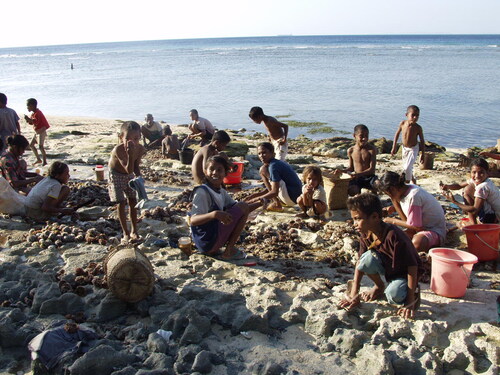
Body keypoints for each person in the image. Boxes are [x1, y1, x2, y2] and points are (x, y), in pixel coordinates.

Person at [339, 193, 422, 320]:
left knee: (393, 295)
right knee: (366, 259)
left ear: (375, 217)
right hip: (388, 268)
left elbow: (412, 267)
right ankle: (379, 286)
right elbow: (360, 264)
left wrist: (409, 302)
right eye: (354, 219)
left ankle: (413, 294)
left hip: (404, 274)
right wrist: (354, 293)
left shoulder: (394, 236)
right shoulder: (366, 234)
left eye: (358, 219)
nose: (354, 224)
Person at [190, 156, 261, 260]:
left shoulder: (221, 191)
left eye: (219, 170)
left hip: (213, 239)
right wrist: (214, 214)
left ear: (225, 174)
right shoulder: (202, 192)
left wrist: (260, 203)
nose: (215, 173)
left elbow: (242, 210)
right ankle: (228, 251)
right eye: (211, 169)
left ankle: (228, 249)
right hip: (207, 242)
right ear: (205, 171)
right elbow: (193, 220)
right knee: (241, 206)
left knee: (241, 206)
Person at [377, 171, 447, 253]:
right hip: (419, 228)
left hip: (434, 231)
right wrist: (395, 203)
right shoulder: (404, 192)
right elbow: (407, 221)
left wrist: (392, 220)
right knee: (394, 238)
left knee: (417, 242)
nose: (391, 197)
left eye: (389, 194)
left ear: (393, 189)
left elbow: (416, 226)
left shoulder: (414, 196)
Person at [108, 121, 145, 243]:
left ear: (140, 137)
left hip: (128, 174)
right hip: (116, 174)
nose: (132, 142)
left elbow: (135, 167)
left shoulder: (140, 148)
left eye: (136, 138)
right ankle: (125, 232)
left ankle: (134, 230)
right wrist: (129, 154)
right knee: (121, 202)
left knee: (132, 200)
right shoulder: (118, 150)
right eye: (128, 139)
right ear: (121, 138)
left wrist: (140, 179)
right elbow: (128, 169)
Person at [246, 142, 302, 211]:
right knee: (263, 169)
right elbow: (274, 187)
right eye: (259, 154)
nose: (261, 156)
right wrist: (257, 195)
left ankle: (276, 202)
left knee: (262, 170)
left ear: (272, 153)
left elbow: (274, 191)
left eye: (264, 153)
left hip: (292, 198)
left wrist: (255, 200)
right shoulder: (276, 163)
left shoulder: (273, 166)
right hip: (294, 196)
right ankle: (276, 201)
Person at [441, 158, 500, 224]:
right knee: (468, 188)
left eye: (481, 173)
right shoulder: (482, 180)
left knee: (467, 190)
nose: (477, 176)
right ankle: (473, 223)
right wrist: (447, 186)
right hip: (493, 213)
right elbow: (459, 186)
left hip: (494, 219)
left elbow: (474, 210)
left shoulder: (483, 186)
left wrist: (454, 201)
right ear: (470, 172)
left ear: (487, 172)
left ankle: (475, 224)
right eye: (474, 172)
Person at [337, 124, 378, 196]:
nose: (364, 138)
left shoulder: (371, 150)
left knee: (379, 184)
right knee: (352, 190)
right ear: (354, 136)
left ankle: (373, 193)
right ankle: (359, 194)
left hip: (370, 177)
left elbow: (372, 169)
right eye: (361, 136)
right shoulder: (351, 150)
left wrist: (357, 174)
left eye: (366, 136)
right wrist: (341, 171)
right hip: (357, 179)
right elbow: (351, 168)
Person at [390, 105, 425, 184]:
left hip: (413, 149)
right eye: (413, 115)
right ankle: (413, 180)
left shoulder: (418, 128)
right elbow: (397, 134)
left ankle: (408, 183)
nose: (415, 117)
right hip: (404, 148)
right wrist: (394, 147)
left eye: (417, 116)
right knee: (406, 166)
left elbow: (422, 141)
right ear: (407, 115)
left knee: (407, 167)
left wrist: (423, 154)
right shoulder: (403, 123)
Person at [24, 98, 50, 166]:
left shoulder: (38, 113)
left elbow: (36, 121)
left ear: (32, 106)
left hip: (41, 131)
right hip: (37, 132)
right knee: (31, 145)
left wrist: (29, 119)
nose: (27, 108)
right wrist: (28, 120)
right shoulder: (34, 113)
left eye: (28, 106)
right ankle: (38, 159)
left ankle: (44, 161)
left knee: (40, 146)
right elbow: (32, 122)